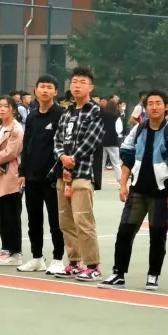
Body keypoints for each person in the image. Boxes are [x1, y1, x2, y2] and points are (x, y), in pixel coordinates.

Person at [105, 89, 168, 289]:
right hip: (137, 191)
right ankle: (118, 273)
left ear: (166, 107)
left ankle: (153, 275)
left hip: (161, 193)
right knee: (125, 231)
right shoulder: (138, 129)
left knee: (157, 234)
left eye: (158, 103)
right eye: (150, 104)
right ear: (145, 107)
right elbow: (128, 157)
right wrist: (123, 185)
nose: (154, 107)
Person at [53, 66, 106, 280]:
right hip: (63, 175)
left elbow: (92, 140)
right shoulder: (66, 112)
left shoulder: (96, 111)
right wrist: (61, 157)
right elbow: (57, 139)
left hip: (83, 173)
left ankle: (92, 265)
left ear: (90, 87)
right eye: (74, 81)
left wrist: (71, 159)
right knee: (65, 221)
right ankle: (74, 262)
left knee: (83, 220)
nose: (77, 86)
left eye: (82, 82)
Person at [18, 76, 65, 273]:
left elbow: (64, 145)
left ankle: (58, 259)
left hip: (52, 178)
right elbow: (26, 145)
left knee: (55, 220)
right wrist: (23, 171)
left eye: (49, 87)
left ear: (55, 92)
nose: (45, 90)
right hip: (32, 177)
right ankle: (37, 257)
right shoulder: (32, 116)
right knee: (34, 220)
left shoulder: (61, 115)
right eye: (42, 87)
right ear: (35, 91)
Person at [0, 95, 24, 266]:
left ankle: (15, 252)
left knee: (12, 215)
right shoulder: (0, 128)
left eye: (6, 106)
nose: (2, 109)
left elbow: (11, 152)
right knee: (3, 215)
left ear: (13, 109)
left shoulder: (16, 129)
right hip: (1, 175)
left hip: (12, 176)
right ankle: (6, 248)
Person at [99, 95, 124, 181]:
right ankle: (120, 180)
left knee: (101, 163)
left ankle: (98, 180)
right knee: (116, 163)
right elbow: (119, 129)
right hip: (113, 141)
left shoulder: (102, 115)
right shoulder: (116, 116)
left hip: (102, 141)